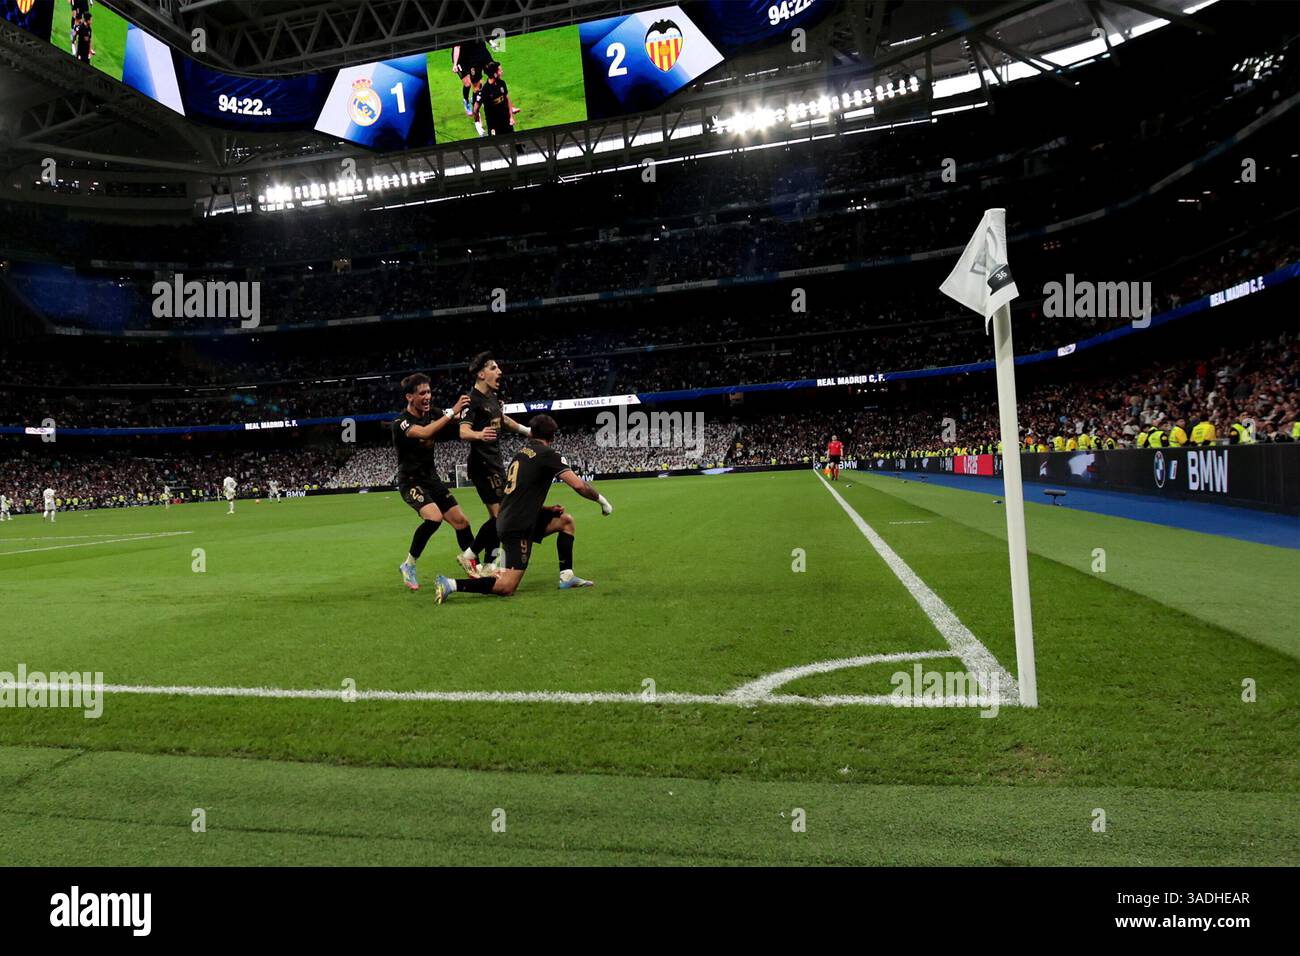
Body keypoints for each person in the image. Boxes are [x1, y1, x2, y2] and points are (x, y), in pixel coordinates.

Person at [434, 414, 611, 602]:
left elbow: (519, 496)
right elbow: (579, 485)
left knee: (565, 521)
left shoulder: (522, 453)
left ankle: (566, 576)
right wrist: (602, 501)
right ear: (552, 438)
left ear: (531, 433)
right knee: (507, 586)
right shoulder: (547, 454)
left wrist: (546, 509)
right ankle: (451, 584)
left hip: (515, 517)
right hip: (517, 527)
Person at [393, 373, 480, 590]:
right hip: (410, 481)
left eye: (429, 392)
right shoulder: (401, 422)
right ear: (409, 397)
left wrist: (486, 411)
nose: (427, 396)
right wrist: (452, 411)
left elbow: (462, 419)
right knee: (434, 518)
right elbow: (424, 431)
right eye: (422, 393)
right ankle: (409, 564)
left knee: (462, 522)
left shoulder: (433, 413)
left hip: (432, 479)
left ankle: (474, 567)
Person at [459, 352, 533, 572]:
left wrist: (528, 431)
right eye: (493, 368)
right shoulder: (470, 400)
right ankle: (470, 556)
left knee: (500, 517)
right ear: (481, 374)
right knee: (502, 516)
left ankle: (489, 564)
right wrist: (479, 435)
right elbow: (463, 431)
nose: (499, 371)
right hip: (482, 465)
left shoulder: (492, 397)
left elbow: (503, 420)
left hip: (495, 463)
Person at [472, 61, 520, 137]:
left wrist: (511, 117)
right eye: (500, 70)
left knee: (514, 143)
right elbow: (475, 109)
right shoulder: (485, 91)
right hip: (494, 126)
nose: (502, 72)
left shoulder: (502, 83)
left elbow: (507, 99)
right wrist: (477, 123)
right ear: (494, 74)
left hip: (506, 121)